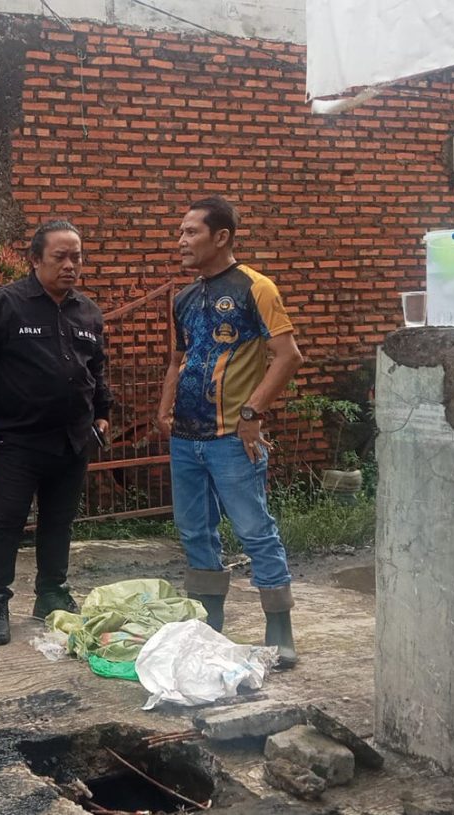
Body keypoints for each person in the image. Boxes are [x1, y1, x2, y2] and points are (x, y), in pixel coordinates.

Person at [156, 195, 304, 668]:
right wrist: (164, 410)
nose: (181, 240)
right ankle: (208, 624)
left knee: (255, 530)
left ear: (221, 237)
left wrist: (252, 413)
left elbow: (288, 356)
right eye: (180, 232)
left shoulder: (255, 288)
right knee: (195, 532)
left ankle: (279, 629)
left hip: (231, 439)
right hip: (186, 437)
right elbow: (178, 360)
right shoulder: (183, 297)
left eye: (190, 232)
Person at [0, 220, 113, 646]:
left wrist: (102, 413)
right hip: (19, 437)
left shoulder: (87, 311)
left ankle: (51, 593)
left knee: (58, 521)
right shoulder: (6, 305)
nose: (70, 266)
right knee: (7, 521)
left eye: (76, 258)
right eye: (59, 257)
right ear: (35, 260)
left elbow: (96, 369)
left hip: (72, 438)